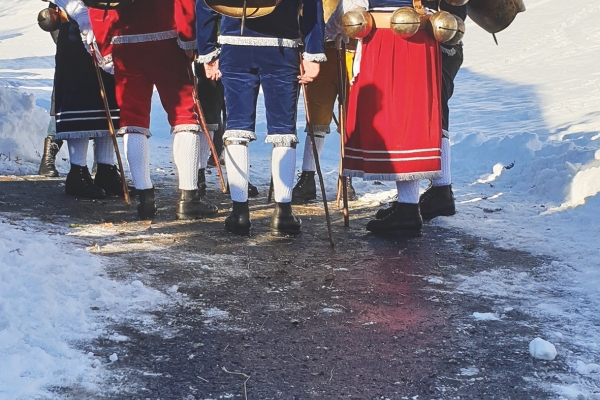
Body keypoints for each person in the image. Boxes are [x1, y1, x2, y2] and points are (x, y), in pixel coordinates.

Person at [196, 0, 326, 235]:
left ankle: (239, 212)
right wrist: (313, 52)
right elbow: (312, 6)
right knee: (283, 130)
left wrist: (207, 50)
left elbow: (205, 4)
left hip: (234, 45)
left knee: (236, 128)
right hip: (281, 46)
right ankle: (283, 213)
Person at [89, 0, 219, 220]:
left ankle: (145, 198)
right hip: (167, 37)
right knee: (185, 116)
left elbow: (97, 5)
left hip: (124, 40)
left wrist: (105, 44)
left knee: (132, 119)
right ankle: (188, 197)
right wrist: (189, 39)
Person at [341, 0, 444, 236]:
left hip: (387, 35)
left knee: (400, 116)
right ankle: (407, 204)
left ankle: (408, 209)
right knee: (407, 114)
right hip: (418, 32)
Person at [48, 0, 123, 199]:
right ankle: (77, 172)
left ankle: (106, 169)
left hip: (111, 23)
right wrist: (80, 14)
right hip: (75, 26)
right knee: (79, 100)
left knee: (111, 99)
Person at [291, 0, 356, 204]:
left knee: (350, 117)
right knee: (317, 116)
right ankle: (308, 176)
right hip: (321, 51)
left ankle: (347, 177)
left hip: (354, 51)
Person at [417, 1, 466, 220]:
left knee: (435, 112)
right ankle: (440, 188)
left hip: (443, 44)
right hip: (431, 42)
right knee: (428, 112)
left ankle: (442, 189)